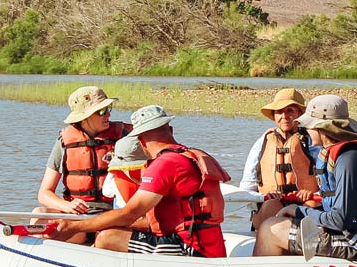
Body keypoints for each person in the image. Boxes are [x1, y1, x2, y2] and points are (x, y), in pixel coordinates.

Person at [66, 105, 232, 258]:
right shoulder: (193, 155)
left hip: (188, 247)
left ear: (141, 141)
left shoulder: (164, 164)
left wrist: (74, 227)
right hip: (209, 243)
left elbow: (130, 214)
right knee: (115, 230)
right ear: (171, 130)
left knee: (107, 237)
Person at [253, 96, 357, 261]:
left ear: (320, 128)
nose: (305, 130)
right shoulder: (337, 153)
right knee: (281, 222)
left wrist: (298, 210)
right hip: (351, 234)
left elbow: (339, 220)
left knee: (270, 229)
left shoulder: (349, 158)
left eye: (308, 125)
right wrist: (299, 213)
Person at [34, 85, 131, 245]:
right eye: (101, 111)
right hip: (78, 216)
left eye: (108, 108)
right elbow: (44, 193)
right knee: (39, 214)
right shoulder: (65, 141)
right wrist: (67, 205)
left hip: (113, 215)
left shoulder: (124, 137)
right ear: (84, 117)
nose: (108, 114)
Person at [239, 87, 319, 199]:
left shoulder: (311, 140)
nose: (284, 116)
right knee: (270, 206)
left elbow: (327, 180)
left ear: (300, 114)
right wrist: (262, 196)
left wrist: (312, 194)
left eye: (290, 111)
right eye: (279, 112)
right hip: (271, 202)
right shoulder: (263, 141)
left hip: (305, 202)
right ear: (274, 115)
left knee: (311, 205)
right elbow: (248, 184)